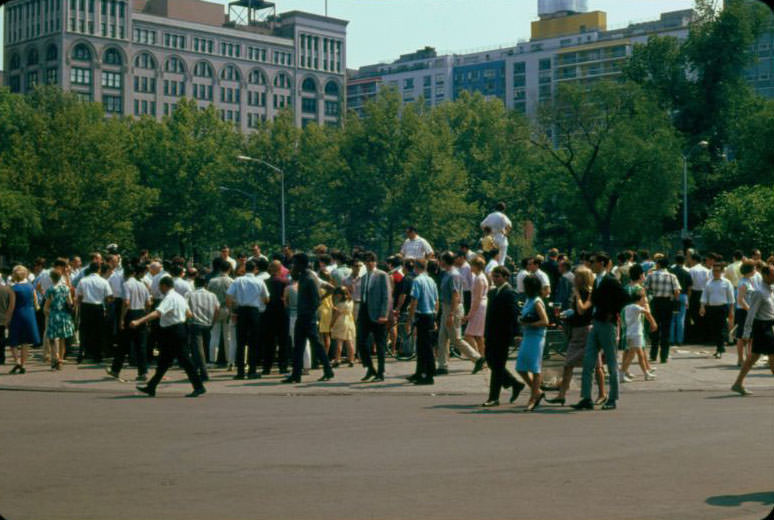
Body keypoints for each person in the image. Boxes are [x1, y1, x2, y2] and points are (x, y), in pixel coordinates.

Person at [132, 276, 206, 398]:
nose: (160, 289)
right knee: (165, 361)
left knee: (184, 360)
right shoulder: (179, 297)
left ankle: (199, 386)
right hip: (179, 329)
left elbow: (157, 312)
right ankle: (151, 386)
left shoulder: (169, 298)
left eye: (160, 287)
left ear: (164, 286)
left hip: (173, 331)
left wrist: (139, 321)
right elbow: (189, 314)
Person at [572, 252, 628, 411]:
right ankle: (586, 397)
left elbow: (624, 297)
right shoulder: (598, 280)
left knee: (611, 361)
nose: (591, 264)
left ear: (602, 263)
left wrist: (613, 312)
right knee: (588, 361)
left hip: (606, 323)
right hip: (596, 322)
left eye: (593, 261)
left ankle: (612, 398)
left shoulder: (611, 280)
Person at [546, 266, 606, 406]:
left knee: (595, 365)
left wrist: (578, 296)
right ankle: (561, 394)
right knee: (569, 364)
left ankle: (602, 393)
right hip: (578, 330)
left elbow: (581, 310)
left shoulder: (588, 293)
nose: (574, 278)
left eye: (577, 276)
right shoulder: (581, 291)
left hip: (585, 331)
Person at [282, 253, 334, 383]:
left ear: (301, 264)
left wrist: (309, 312)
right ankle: (296, 374)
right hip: (303, 315)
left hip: (307, 317)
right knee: (299, 346)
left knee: (315, 345)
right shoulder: (304, 277)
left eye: (295, 263)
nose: (293, 266)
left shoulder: (310, 278)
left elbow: (316, 299)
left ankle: (327, 370)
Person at [481, 266, 525, 407]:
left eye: (498, 276)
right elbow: (489, 315)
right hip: (491, 333)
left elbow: (514, 314)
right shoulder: (493, 293)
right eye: (493, 276)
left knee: (498, 365)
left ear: (506, 277)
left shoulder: (510, 293)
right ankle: (514, 383)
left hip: (503, 334)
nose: (495, 279)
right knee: (490, 360)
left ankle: (494, 397)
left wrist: (517, 334)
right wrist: (486, 332)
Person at [436, 252, 486, 375]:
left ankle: (477, 358)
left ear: (445, 261)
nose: (439, 262)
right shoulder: (447, 274)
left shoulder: (454, 275)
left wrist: (451, 314)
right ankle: (442, 366)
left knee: (456, 339)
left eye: (441, 260)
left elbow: (456, 296)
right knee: (442, 338)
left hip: (453, 308)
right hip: (446, 307)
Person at [732, 264, 774, 396]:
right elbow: (751, 313)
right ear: (766, 275)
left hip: (769, 326)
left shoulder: (770, 290)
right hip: (761, 328)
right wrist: (746, 333)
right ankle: (738, 383)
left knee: (757, 357)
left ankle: (738, 383)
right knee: (765, 357)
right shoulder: (759, 292)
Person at [107, 263, 151, 382]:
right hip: (141, 313)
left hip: (130, 314)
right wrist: (145, 316)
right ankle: (143, 372)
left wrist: (121, 318)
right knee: (141, 345)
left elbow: (126, 302)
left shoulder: (126, 284)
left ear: (126, 273)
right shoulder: (142, 285)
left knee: (123, 344)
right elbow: (149, 303)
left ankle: (115, 370)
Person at [226, 260, 269, 380]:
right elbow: (266, 298)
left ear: (245, 269)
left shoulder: (238, 280)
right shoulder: (259, 281)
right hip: (254, 312)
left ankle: (240, 371)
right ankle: (252, 370)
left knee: (241, 342)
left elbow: (228, 296)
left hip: (241, 311)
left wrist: (232, 310)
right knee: (254, 342)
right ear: (256, 269)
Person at [356, 251, 392, 382]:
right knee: (361, 341)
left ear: (375, 262)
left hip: (377, 313)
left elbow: (386, 296)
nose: (369, 263)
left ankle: (381, 372)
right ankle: (370, 368)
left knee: (380, 343)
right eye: (366, 261)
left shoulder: (382, 275)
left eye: (371, 261)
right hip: (365, 311)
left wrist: (384, 314)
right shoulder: (364, 277)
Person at [515, 275, 549, 411]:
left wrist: (530, 324)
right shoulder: (528, 300)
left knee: (535, 368)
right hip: (528, 336)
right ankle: (537, 391)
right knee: (520, 367)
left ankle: (533, 397)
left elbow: (545, 321)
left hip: (536, 337)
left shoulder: (537, 302)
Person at [406, 258, 439, 385]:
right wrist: (435, 317)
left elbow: (414, 301)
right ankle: (419, 372)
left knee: (424, 347)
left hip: (422, 315)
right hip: (430, 315)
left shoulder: (417, 281)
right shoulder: (431, 280)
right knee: (423, 345)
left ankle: (428, 375)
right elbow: (437, 301)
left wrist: (410, 319)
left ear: (416, 267)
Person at [643, 256, 681, 363]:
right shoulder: (671, 276)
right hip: (667, 303)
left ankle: (653, 355)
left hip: (655, 302)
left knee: (654, 327)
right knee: (666, 329)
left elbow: (645, 289)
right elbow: (677, 291)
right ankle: (664, 356)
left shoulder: (650, 275)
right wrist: (674, 301)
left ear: (658, 264)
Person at [75, 262, 113, 363]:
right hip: (98, 306)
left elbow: (78, 296)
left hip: (86, 306)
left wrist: (79, 305)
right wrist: (106, 307)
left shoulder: (83, 281)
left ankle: (82, 353)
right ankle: (97, 355)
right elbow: (109, 296)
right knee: (98, 331)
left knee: (84, 330)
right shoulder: (103, 281)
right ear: (99, 270)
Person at [620, 288, 658, 382]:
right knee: (631, 355)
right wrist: (653, 323)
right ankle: (621, 374)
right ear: (639, 299)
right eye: (643, 299)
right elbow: (647, 312)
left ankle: (646, 373)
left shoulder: (626, 307)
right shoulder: (635, 307)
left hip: (631, 333)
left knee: (640, 355)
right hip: (635, 334)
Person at [186, 276, 219, 382]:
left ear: (195, 284)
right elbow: (217, 309)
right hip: (208, 324)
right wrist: (213, 322)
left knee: (197, 349)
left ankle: (203, 373)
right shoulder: (212, 295)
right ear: (206, 284)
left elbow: (186, 309)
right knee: (203, 348)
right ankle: (196, 370)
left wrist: (188, 320)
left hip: (195, 323)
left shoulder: (190, 294)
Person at [7, 266, 40, 374]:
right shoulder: (31, 287)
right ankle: (22, 363)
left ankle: (16, 361)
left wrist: (8, 318)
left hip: (17, 314)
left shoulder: (13, 288)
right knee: (25, 342)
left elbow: (12, 305)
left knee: (13, 340)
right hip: (29, 313)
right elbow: (36, 301)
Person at [700, 263, 735, 360]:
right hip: (711, 308)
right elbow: (704, 296)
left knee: (721, 328)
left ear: (722, 271)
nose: (716, 273)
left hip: (722, 308)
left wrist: (731, 311)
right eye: (714, 271)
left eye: (718, 270)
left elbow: (731, 299)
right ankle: (719, 347)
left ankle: (720, 349)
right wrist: (702, 307)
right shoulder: (709, 283)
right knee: (714, 329)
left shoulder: (726, 282)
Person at [207, 259, 236, 370]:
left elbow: (209, 294)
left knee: (214, 335)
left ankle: (212, 360)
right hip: (228, 309)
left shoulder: (212, 281)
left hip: (215, 309)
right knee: (228, 336)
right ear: (229, 269)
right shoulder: (232, 281)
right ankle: (230, 361)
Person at [261, 260, 289, 374]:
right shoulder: (285, 282)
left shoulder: (265, 282)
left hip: (268, 313)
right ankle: (283, 366)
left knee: (268, 341)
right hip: (282, 313)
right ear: (280, 269)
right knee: (283, 341)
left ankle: (267, 367)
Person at [43, 270, 74, 370]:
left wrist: (46, 312)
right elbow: (70, 303)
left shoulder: (51, 289)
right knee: (62, 339)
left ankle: (55, 357)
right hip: (64, 315)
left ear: (51, 278)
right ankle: (60, 359)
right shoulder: (66, 288)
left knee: (52, 338)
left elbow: (46, 306)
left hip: (54, 314)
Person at [463, 256, 489, 356]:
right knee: (479, 336)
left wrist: (469, 314)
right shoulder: (480, 277)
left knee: (468, 335)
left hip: (479, 308)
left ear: (476, 266)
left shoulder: (479, 279)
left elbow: (477, 299)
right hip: (481, 306)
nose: (470, 267)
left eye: (472, 265)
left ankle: (478, 357)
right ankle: (482, 357)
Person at [733, 261, 756, 367]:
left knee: (750, 336)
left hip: (750, 311)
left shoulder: (750, 281)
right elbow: (740, 299)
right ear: (749, 270)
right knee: (742, 336)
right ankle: (740, 359)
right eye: (754, 268)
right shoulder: (743, 282)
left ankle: (749, 358)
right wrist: (749, 310)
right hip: (743, 311)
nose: (755, 270)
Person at [669, 254, 693, 346]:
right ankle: (679, 340)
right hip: (683, 296)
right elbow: (689, 288)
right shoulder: (686, 273)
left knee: (672, 319)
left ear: (675, 261)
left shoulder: (671, 272)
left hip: (672, 296)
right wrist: (688, 300)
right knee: (681, 319)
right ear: (684, 262)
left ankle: (671, 340)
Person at [329, 287, 356, 368]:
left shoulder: (340, 304)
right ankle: (351, 359)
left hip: (341, 321)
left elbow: (336, 314)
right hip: (350, 321)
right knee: (349, 341)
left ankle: (337, 359)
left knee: (339, 342)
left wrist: (331, 323)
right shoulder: (350, 302)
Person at [480, 202, 512, 266]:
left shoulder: (490, 215)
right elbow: (509, 226)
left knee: (491, 259)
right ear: (503, 209)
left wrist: (487, 232)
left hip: (491, 238)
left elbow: (482, 225)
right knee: (501, 260)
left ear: (495, 208)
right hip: (501, 238)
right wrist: (506, 233)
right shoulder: (503, 216)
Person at [0, 274, 13, 365]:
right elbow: (10, 305)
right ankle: (1, 357)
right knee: (1, 338)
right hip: (3, 317)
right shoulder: (7, 290)